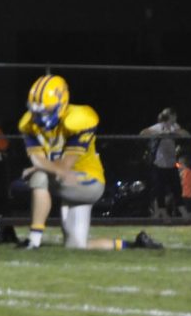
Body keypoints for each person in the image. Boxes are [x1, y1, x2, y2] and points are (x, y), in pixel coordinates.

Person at [19, 74, 161, 250]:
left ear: (62, 103)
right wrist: (42, 165)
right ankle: (134, 245)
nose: (40, 117)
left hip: (87, 182)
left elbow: (63, 167)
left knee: (39, 176)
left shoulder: (79, 119)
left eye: (46, 111)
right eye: (37, 111)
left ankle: (34, 240)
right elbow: (38, 160)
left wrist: (41, 166)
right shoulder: (28, 123)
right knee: (77, 246)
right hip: (66, 182)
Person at [140, 108, 187, 217]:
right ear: (170, 116)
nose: (176, 118)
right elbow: (143, 133)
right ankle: (163, 214)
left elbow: (185, 134)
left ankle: (183, 212)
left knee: (177, 189)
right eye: (174, 116)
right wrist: (160, 133)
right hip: (160, 164)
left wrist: (173, 133)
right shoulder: (159, 126)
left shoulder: (175, 126)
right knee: (160, 191)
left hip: (171, 164)